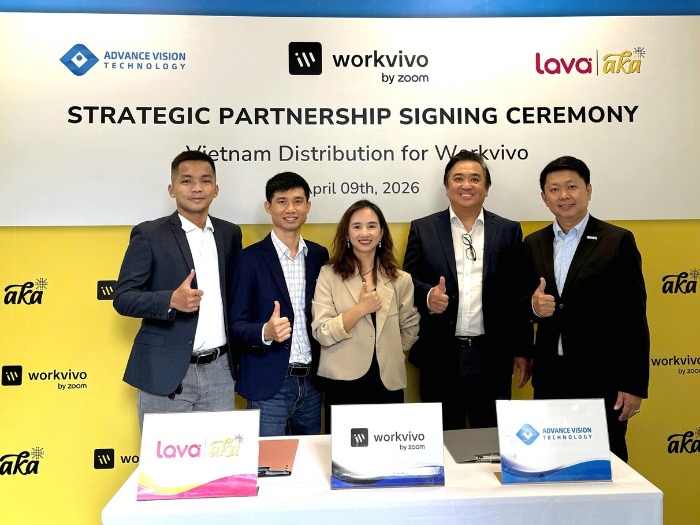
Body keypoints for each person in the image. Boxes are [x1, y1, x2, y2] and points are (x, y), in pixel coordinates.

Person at [525, 155, 649, 462]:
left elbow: (634, 317)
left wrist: (633, 384)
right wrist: (533, 308)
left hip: (603, 378)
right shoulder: (533, 243)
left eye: (572, 187)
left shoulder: (617, 241)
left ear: (588, 190)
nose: (563, 196)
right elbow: (522, 305)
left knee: (607, 463)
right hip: (551, 376)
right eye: (554, 189)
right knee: (550, 463)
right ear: (544, 197)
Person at [403, 149, 532, 430]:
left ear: (486, 187)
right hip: (439, 354)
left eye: (475, 179)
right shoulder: (423, 229)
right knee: (443, 438)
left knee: (491, 439)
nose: (467, 185)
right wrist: (428, 295)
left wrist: (522, 349)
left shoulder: (508, 230)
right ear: (447, 186)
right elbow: (406, 281)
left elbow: (518, 293)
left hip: (492, 356)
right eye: (458, 178)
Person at [113, 150, 242, 430]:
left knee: (218, 456)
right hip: (166, 372)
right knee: (165, 459)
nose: (197, 188)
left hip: (220, 371)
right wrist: (170, 300)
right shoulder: (149, 234)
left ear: (216, 189)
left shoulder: (230, 234)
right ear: (172, 189)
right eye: (186, 181)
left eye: (205, 180)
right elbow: (123, 298)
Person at [230, 172, 328, 436]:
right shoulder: (247, 259)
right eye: (282, 201)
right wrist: (265, 332)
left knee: (309, 460)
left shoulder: (319, 255)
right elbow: (236, 324)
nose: (290, 209)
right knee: (267, 460)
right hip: (269, 384)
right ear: (268, 207)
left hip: (312, 384)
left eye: (298, 201)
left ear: (308, 206)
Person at [311, 200, 420, 433]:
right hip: (342, 383)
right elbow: (322, 331)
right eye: (357, 226)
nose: (364, 233)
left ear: (381, 233)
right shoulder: (329, 274)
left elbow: (410, 326)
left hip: (387, 383)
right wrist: (360, 309)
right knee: (344, 452)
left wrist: (391, 351)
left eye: (371, 226)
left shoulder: (401, 279)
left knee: (387, 450)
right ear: (347, 233)